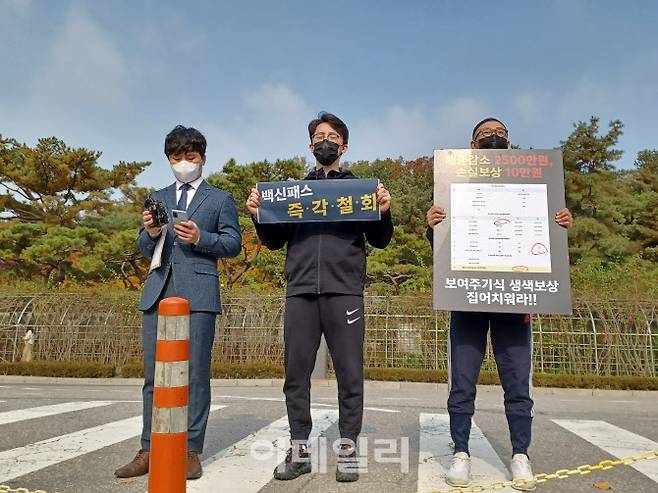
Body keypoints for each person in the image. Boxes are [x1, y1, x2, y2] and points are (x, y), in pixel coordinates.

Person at [426, 117, 573, 491]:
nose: (495, 137)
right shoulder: (455, 184)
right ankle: (461, 452)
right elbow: (443, 254)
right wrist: (434, 226)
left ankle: (520, 454)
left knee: (517, 384)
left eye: (501, 134)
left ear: (509, 143)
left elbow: (551, 251)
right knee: (461, 382)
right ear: (472, 146)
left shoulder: (532, 186)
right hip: (468, 299)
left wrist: (559, 226)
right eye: (486, 135)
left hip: (514, 300)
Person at [246, 112, 393, 483]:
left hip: (345, 291)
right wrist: (258, 215)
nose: (323, 140)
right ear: (310, 145)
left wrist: (383, 211)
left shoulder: (360, 190)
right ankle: (299, 451)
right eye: (317, 136)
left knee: (349, 373)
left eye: (331, 136)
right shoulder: (293, 193)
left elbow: (380, 240)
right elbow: (275, 241)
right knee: (296, 375)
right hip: (300, 291)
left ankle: (347, 448)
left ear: (343, 147)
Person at [115, 125, 241, 480]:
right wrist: (151, 233)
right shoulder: (157, 196)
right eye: (176, 157)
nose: (183, 163)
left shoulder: (220, 199)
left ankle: (190, 449)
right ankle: (148, 448)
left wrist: (202, 237)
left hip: (199, 293)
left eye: (190, 156)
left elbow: (232, 244)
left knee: (196, 376)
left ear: (202, 158)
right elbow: (143, 247)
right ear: (168, 160)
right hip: (158, 290)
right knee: (153, 376)